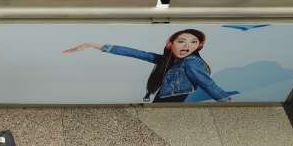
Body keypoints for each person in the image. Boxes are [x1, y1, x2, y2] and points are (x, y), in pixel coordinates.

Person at [63, 29, 237, 102]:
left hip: (171, 103)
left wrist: (225, 101)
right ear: (171, 44)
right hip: (163, 100)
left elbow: (208, 84)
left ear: (198, 46)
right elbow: (135, 53)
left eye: (193, 42)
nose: (187, 46)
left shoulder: (191, 64)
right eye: (182, 41)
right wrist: (94, 45)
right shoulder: (166, 60)